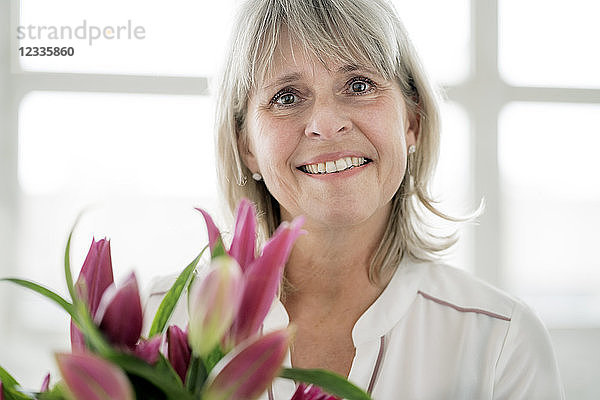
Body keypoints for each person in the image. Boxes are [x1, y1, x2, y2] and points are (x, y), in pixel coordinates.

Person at [147, 0, 565, 398]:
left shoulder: (501, 342)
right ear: (247, 146)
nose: (327, 125)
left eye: (359, 85)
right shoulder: (152, 327)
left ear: (412, 122)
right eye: (287, 97)